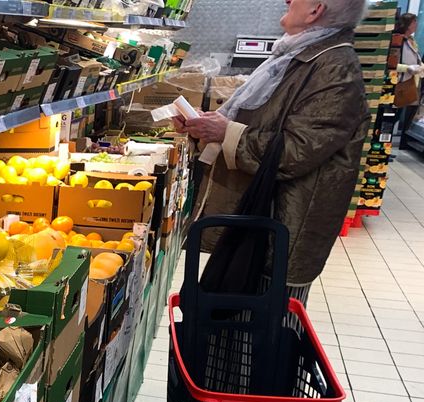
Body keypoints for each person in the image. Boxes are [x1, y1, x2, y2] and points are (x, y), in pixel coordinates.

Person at [173, 0, 367, 302]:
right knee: (230, 328)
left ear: (316, 10)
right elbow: (260, 121)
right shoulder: (295, 56)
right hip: (255, 222)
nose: (287, 1)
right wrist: (205, 126)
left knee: (261, 333)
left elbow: (298, 151)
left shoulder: (335, 67)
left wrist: (226, 132)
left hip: (279, 232)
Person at [395, 13, 421, 135]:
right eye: (414, 22)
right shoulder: (398, 40)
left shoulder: (411, 40)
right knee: (391, 116)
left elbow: (416, 58)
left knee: (397, 114)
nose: (416, 25)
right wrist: (407, 68)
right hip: (398, 84)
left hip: (408, 84)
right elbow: (390, 64)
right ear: (407, 24)